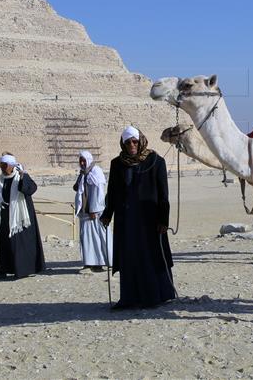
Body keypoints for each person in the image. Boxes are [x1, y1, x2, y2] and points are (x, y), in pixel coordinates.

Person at [101, 126, 176, 309]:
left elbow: (163, 195)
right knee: (129, 258)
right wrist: (107, 214)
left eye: (134, 141)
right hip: (126, 221)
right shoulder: (117, 163)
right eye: (128, 142)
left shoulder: (156, 161)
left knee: (150, 257)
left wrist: (163, 220)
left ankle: (154, 297)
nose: (131, 145)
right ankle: (129, 298)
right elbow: (112, 192)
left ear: (141, 141)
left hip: (150, 221)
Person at [0, 154, 45, 280]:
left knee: (19, 245)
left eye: (5, 165)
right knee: (1, 244)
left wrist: (23, 177)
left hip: (21, 218)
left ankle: (23, 270)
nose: (2, 168)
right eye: (1, 165)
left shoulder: (21, 176)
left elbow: (30, 189)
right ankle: (3, 270)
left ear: (12, 165)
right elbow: (0, 195)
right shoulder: (2, 179)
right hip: (6, 215)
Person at [73, 150, 111, 273]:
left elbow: (98, 192)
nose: (82, 163)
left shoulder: (95, 172)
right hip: (86, 212)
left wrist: (94, 209)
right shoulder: (84, 173)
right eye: (81, 160)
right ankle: (89, 262)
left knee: (96, 238)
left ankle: (99, 263)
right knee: (87, 238)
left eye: (84, 160)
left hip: (94, 212)